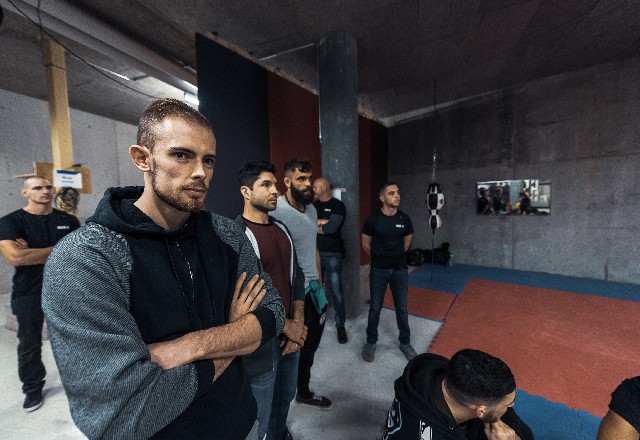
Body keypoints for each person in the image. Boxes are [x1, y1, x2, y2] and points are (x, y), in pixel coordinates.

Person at [41, 99, 285, 439]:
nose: (200, 172)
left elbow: (273, 313)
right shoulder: (86, 257)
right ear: (142, 158)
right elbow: (122, 418)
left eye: (208, 160)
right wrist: (235, 335)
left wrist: (191, 346)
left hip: (242, 424)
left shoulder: (226, 234)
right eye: (182, 155)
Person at [236, 161, 307, 440]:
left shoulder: (281, 229)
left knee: (285, 396)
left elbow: (297, 277)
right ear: (246, 192)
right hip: (262, 341)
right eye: (266, 185)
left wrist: (297, 322)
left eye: (274, 184)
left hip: (290, 335)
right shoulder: (236, 235)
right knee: (260, 409)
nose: (275, 191)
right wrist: (288, 326)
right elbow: (248, 296)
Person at [0, 176, 80, 412]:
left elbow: (79, 254)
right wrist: (61, 248)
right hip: (28, 292)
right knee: (29, 343)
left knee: (72, 340)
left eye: (48, 187)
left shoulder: (68, 220)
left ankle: (78, 383)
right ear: (25, 192)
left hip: (64, 289)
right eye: (37, 188)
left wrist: (32, 253)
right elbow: (15, 257)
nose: (45, 191)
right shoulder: (11, 221)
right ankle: (32, 389)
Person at [271, 158, 332, 410]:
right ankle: (279, 407)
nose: (308, 184)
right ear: (287, 182)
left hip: (314, 290)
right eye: (301, 179)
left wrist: (320, 282)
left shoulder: (312, 210)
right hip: (292, 294)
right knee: (290, 350)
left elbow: (313, 247)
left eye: (309, 178)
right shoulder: (275, 211)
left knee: (311, 346)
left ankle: (304, 392)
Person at [383, 349, 534, 440]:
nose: (512, 405)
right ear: (481, 411)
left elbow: (525, 433)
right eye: (508, 404)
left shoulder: (449, 377)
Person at [361, 182, 417, 362]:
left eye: (397, 192)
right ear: (382, 198)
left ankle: (405, 342)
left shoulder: (404, 219)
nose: (397, 195)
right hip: (379, 270)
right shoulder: (373, 219)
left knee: (402, 308)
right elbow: (365, 243)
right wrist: (379, 257)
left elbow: (407, 242)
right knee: (375, 307)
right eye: (392, 193)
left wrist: (395, 256)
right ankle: (371, 342)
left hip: (400, 270)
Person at [312, 177, 348, 344]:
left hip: (333, 254)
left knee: (336, 291)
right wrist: (321, 223)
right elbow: (308, 225)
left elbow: (332, 228)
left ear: (325, 187)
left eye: (316, 187)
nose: (313, 189)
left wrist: (318, 224)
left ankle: (340, 325)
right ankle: (316, 321)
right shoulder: (313, 206)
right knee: (315, 289)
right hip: (315, 253)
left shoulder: (337, 205)